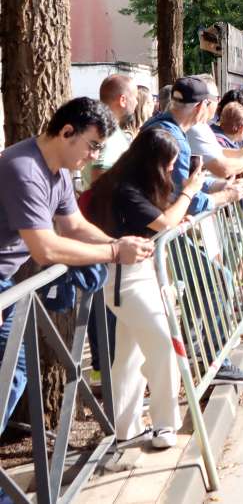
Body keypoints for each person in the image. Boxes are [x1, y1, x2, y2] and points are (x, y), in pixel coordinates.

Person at [0, 98, 155, 429]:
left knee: (12, 372)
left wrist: (118, 242)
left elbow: (74, 226)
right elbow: (45, 248)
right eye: (93, 145)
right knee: (10, 373)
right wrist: (114, 254)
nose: (95, 156)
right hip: (3, 286)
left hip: (5, 284)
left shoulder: (57, 172)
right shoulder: (24, 169)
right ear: (67, 131)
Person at [87, 128, 210, 449]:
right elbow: (165, 222)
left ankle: (126, 427)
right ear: (153, 162)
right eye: (169, 163)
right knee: (163, 346)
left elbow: (161, 222)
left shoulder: (126, 185)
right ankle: (164, 425)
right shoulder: (125, 190)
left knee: (129, 357)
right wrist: (189, 192)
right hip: (126, 280)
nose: (172, 169)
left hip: (133, 278)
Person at [140, 78, 243, 384]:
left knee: (206, 284)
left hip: (156, 228)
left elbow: (193, 182)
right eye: (213, 104)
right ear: (201, 107)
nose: (214, 112)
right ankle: (215, 360)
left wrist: (225, 186)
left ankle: (198, 355)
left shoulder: (163, 128)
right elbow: (184, 194)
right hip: (156, 232)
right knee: (220, 279)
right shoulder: (171, 136)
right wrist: (227, 195)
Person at [82, 73, 139, 189]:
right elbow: (99, 183)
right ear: (123, 100)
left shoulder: (100, 128)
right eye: (135, 97)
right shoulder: (109, 134)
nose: (137, 103)